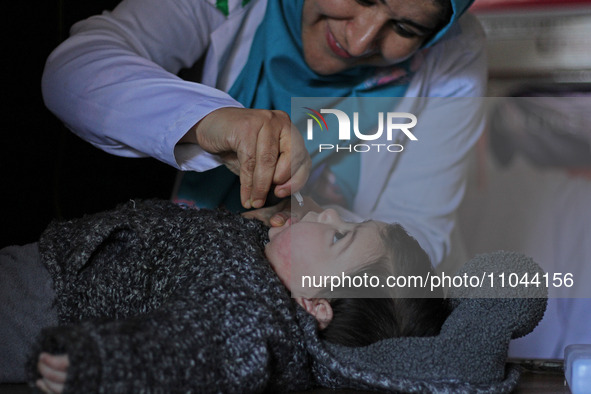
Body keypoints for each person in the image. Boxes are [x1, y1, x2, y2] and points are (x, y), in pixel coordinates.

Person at [41, 0, 487, 268]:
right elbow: (72, 71)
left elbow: (416, 237)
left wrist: (310, 250)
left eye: (405, 29)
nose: (360, 40)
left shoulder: (453, 57)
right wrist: (211, 121)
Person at [0, 199, 449, 391]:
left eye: (339, 237)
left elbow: (191, 347)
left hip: (40, 300)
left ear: (316, 304)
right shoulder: (266, 275)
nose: (330, 212)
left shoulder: (251, 313)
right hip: (57, 265)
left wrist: (103, 361)